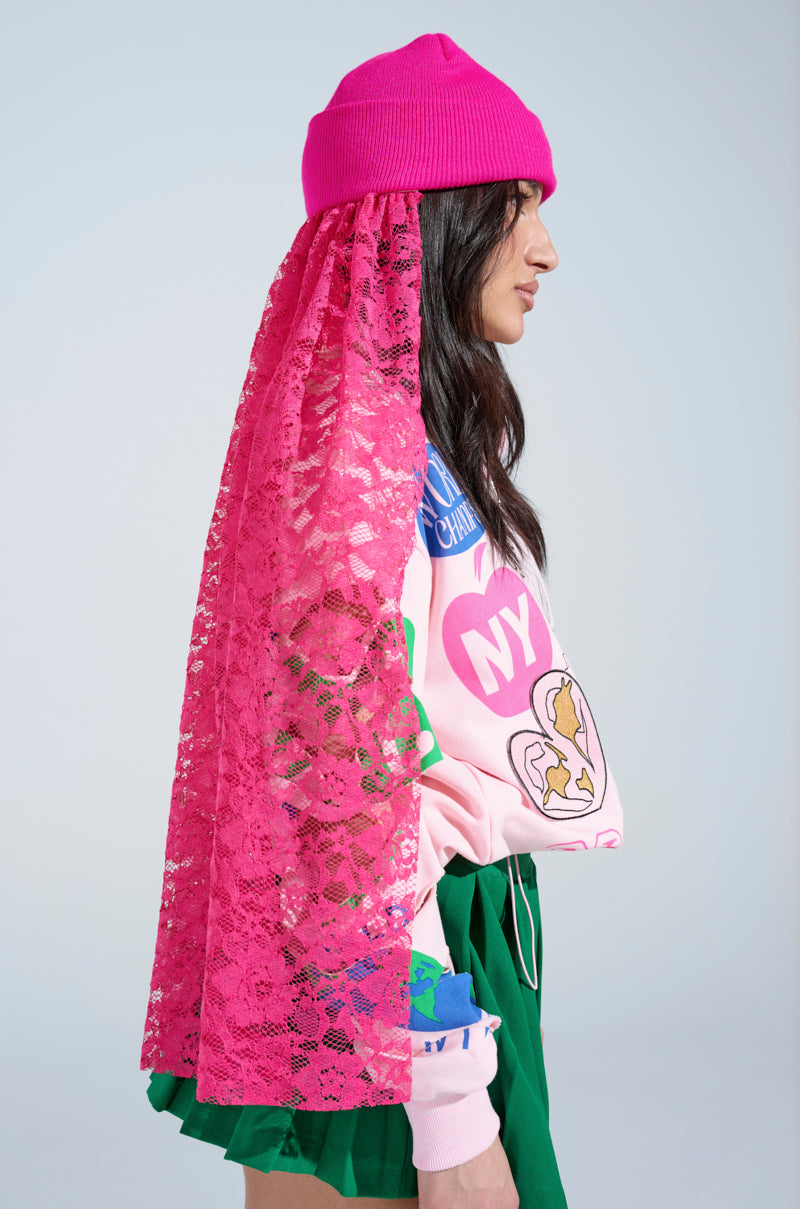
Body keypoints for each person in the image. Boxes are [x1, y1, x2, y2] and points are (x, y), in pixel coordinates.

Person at [141, 32, 624, 1209]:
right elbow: (332, 762)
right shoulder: (355, 459)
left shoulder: (409, 446)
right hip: (399, 969)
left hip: (427, 947)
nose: (546, 248)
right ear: (434, 224)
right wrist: (443, 1062)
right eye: (515, 209)